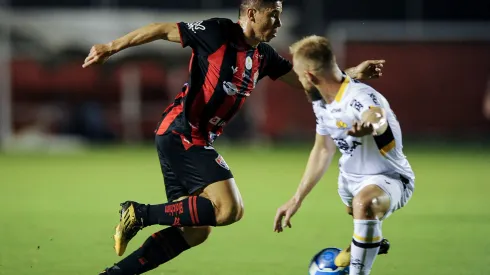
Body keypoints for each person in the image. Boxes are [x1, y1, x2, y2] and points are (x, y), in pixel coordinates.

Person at [82, 1, 384, 274]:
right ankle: (138, 213)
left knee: (196, 230)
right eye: (274, 16)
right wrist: (111, 47)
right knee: (229, 210)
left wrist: (352, 74)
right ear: (252, 13)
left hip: (192, 137)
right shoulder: (217, 32)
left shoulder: (263, 55)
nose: (278, 24)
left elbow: (309, 85)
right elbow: (161, 29)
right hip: (183, 131)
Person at [273, 35, 414, 275]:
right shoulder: (321, 102)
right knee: (362, 219)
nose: (297, 79)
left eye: (297, 74)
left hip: (389, 178)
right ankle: (368, 244)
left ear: (309, 76)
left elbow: (376, 115)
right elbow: (322, 149)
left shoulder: (359, 96)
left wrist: (370, 126)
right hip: (349, 182)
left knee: (365, 205)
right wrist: (297, 198)